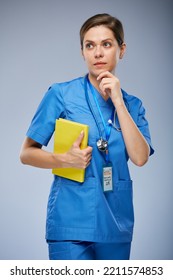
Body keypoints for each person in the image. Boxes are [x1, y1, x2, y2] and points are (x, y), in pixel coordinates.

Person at [20, 13, 154, 260]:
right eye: (89, 45)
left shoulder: (133, 105)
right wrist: (64, 160)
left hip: (117, 225)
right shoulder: (61, 94)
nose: (98, 53)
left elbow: (140, 158)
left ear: (121, 50)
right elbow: (26, 153)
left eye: (106, 44)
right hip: (70, 224)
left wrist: (118, 102)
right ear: (82, 52)